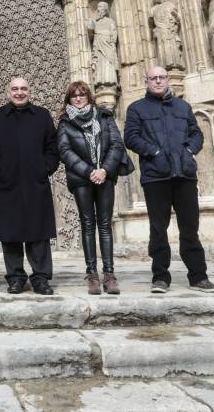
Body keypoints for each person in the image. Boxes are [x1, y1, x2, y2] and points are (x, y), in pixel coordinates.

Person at [123, 66, 214, 294]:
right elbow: (131, 138)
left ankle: (198, 277)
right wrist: (154, 153)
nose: (158, 81)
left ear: (168, 80)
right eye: (153, 78)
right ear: (146, 81)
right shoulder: (136, 108)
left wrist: (189, 151)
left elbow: (196, 134)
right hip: (156, 177)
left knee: (190, 227)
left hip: (184, 174)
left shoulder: (183, 107)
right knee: (158, 228)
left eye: (162, 77)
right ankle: (160, 277)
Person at [0, 77, 59, 295]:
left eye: (23, 88)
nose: (19, 92)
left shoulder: (42, 115)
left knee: (39, 231)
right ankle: (15, 278)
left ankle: (41, 278)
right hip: (8, 182)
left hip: (36, 181)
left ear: (30, 91)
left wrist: (45, 168)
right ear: (8, 93)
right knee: (11, 231)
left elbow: (52, 147)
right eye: (15, 89)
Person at [57, 81, 133, 295]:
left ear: (89, 97)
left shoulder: (104, 116)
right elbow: (64, 150)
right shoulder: (65, 122)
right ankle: (92, 274)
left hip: (105, 177)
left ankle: (109, 274)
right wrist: (89, 171)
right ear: (69, 100)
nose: (79, 99)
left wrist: (104, 170)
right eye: (74, 96)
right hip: (82, 179)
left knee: (105, 224)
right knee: (88, 224)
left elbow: (117, 144)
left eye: (82, 95)